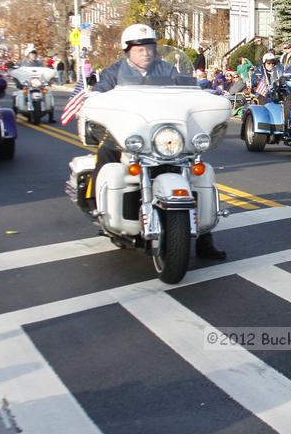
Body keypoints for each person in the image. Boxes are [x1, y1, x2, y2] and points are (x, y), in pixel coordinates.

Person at [88, 24, 225, 260]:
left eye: (150, 47)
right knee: (106, 151)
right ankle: (98, 206)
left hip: (164, 136)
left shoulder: (166, 68)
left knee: (196, 174)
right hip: (130, 136)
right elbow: (100, 96)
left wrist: (202, 94)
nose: (146, 52)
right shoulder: (114, 73)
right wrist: (97, 101)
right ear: (128, 50)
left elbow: (188, 91)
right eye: (140, 48)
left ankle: (205, 237)